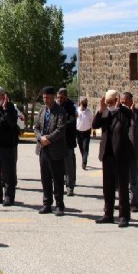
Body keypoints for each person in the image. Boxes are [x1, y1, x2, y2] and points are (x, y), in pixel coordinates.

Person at [92, 90, 134, 228]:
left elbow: (130, 117)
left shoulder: (123, 112)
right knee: (107, 187)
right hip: (107, 154)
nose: (109, 105)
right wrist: (100, 109)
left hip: (121, 155)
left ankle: (123, 216)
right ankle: (108, 214)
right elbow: (95, 125)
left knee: (122, 187)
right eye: (107, 102)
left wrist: (119, 107)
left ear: (116, 100)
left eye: (111, 102)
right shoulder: (105, 113)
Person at [34, 86, 68, 216]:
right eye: (44, 98)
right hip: (43, 149)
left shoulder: (60, 111)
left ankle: (59, 205)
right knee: (45, 178)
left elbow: (60, 129)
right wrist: (39, 138)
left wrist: (48, 138)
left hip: (56, 150)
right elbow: (36, 127)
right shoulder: (42, 111)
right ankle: (47, 204)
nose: (46, 100)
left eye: (47, 97)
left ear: (53, 97)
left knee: (58, 179)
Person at [120, 92, 138, 212]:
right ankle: (123, 202)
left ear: (131, 101)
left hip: (132, 150)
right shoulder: (119, 112)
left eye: (125, 102)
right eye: (121, 102)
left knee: (133, 179)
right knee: (121, 180)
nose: (123, 104)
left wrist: (132, 112)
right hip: (120, 150)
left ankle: (134, 203)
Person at [57, 88, 78, 196]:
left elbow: (72, 121)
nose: (59, 99)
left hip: (67, 140)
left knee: (68, 164)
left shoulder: (70, 107)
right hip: (57, 140)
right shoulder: (56, 106)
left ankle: (70, 186)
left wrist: (61, 126)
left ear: (65, 96)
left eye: (61, 97)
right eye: (58, 97)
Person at [75, 97, 93, 171]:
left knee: (85, 147)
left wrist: (93, 130)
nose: (84, 106)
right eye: (83, 104)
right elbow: (75, 120)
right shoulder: (77, 111)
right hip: (78, 132)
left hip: (86, 132)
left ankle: (84, 163)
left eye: (85, 104)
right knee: (81, 147)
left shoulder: (88, 112)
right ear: (80, 104)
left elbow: (91, 121)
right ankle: (84, 157)